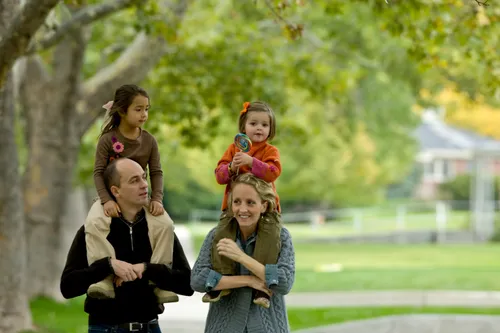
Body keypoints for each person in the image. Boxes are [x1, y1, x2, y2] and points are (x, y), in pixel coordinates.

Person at [61, 158, 194, 333]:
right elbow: (68, 287)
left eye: (143, 177)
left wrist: (146, 269)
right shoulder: (93, 230)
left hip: (150, 327)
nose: (144, 185)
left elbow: (187, 284)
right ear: (115, 191)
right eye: (134, 180)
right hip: (105, 328)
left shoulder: (160, 229)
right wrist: (109, 266)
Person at [85, 84, 178, 304]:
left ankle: (159, 280)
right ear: (122, 111)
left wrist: (156, 199)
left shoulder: (149, 141)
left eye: (147, 109)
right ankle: (104, 278)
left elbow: (156, 172)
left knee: (165, 225)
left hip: (140, 198)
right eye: (138, 109)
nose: (144, 114)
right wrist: (106, 200)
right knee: (94, 222)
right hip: (111, 197)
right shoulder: (108, 140)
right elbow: (98, 173)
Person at [191, 173, 295, 333]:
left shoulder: (281, 236)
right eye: (237, 202)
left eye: (250, 202)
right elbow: (198, 280)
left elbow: (284, 282)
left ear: (264, 206)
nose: (242, 209)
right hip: (222, 328)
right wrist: (249, 280)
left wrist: (241, 257)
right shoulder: (216, 235)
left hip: (269, 328)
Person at [209, 101, 283, 308]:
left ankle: (262, 287)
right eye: (253, 123)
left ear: (271, 129)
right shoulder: (233, 149)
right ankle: (222, 278)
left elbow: (273, 173)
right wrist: (233, 166)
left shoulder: (270, 151)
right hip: (234, 207)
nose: (259, 128)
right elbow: (219, 177)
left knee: (269, 238)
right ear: (243, 127)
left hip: (265, 209)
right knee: (222, 234)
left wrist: (252, 163)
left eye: (264, 125)